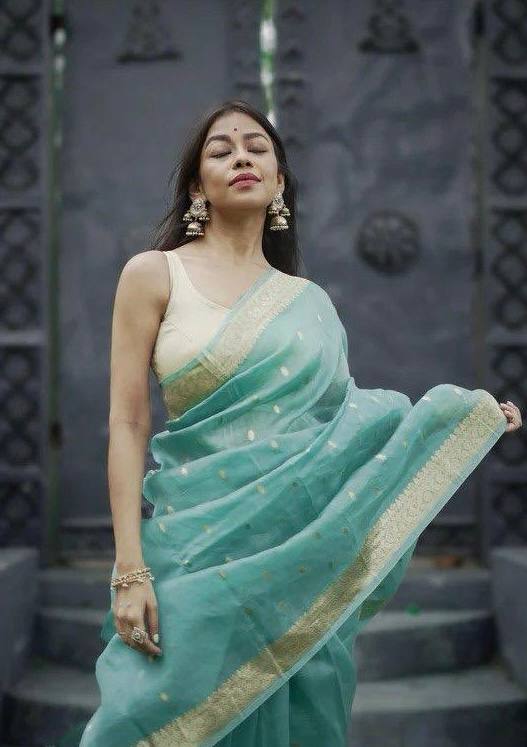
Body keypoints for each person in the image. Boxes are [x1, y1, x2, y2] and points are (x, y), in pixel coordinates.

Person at [55, 100, 522, 747]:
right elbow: (128, 422)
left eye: (257, 148)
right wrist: (129, 569)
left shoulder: (309, 303)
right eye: (221, 150)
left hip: (295, 562)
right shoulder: (154, 274)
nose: (240, 157)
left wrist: (456, 423)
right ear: (197, 186)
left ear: (279, 181)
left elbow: (347, 432)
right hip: (192, 550)